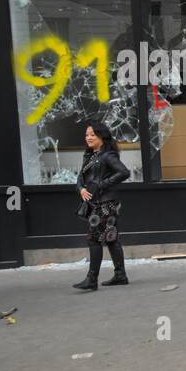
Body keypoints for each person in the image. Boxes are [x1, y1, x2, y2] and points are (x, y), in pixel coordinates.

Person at [72, 121, 131, 291]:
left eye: (92, 135)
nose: (88, 138)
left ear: (102, 137)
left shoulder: (108, 155)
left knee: (93, 239)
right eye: (86, 135)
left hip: (106, 203)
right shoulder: (90, 156)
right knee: (111, 238)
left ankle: (92, 279)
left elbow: (124, 172)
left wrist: (102, 184)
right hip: (96, 202)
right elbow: (80, 178)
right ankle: (120, 275)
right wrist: (81, 189)